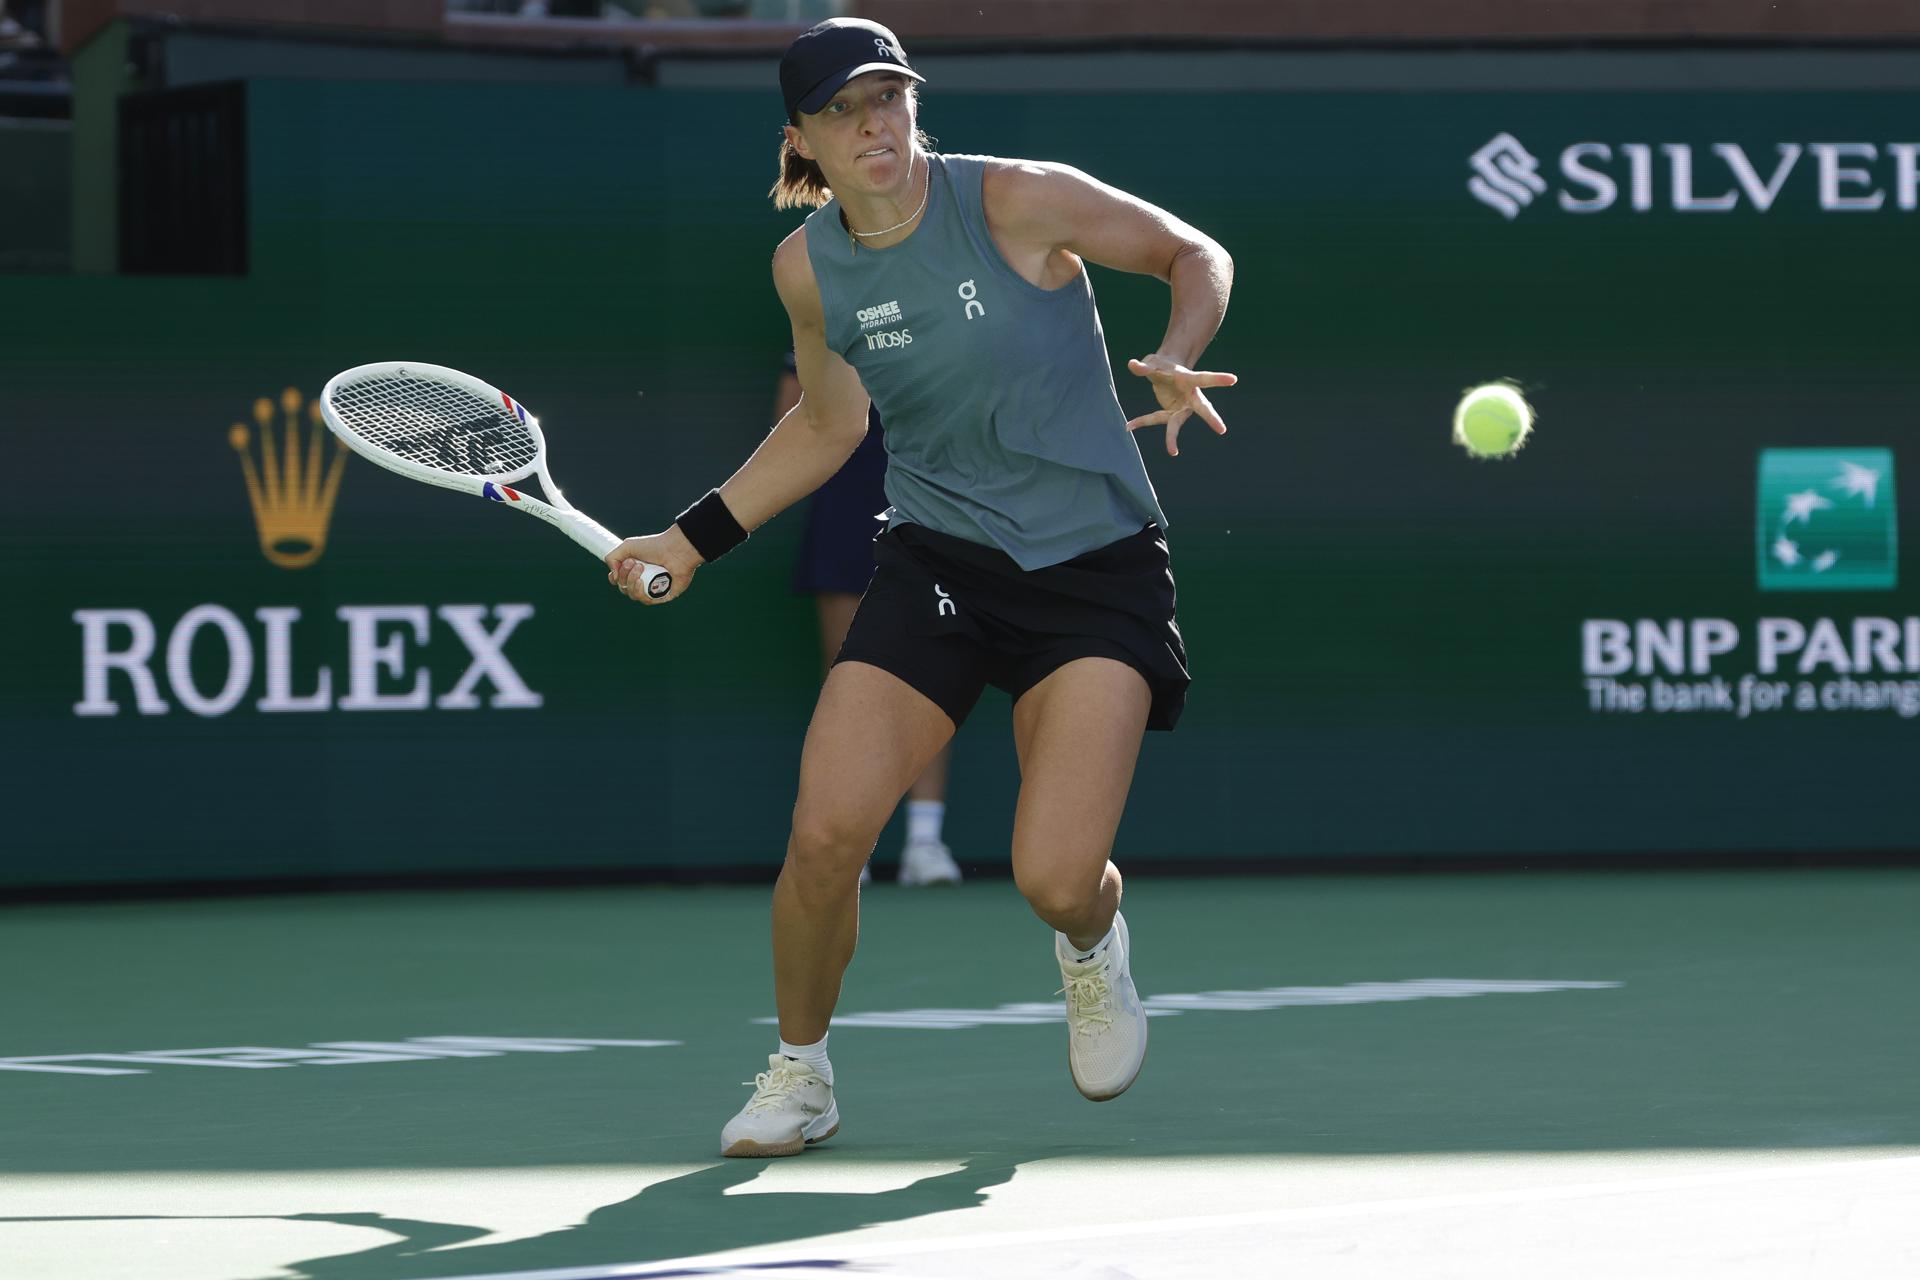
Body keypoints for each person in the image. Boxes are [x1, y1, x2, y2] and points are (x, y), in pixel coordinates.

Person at [606, 17, 1235, 1157]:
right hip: (941, 559)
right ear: (802, 138)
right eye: (842, 111)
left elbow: (1194, 252)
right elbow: (831, 422)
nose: (873, 123)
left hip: (1094, 568)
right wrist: (693, 537)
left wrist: (1180, 346)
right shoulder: (809, 267)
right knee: (823, 833)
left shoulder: (1017, 199)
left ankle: (1092, 944)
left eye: (887, 97)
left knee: (1053, 876)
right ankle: (802, 1073)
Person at [774, 349, 963, 888]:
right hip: (846, 507)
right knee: (848, 682)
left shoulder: (947, 306)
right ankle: (849, 846)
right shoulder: (823, 314)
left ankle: (925, 843)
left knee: (936, 674)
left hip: (936, 505)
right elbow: (791, 425)